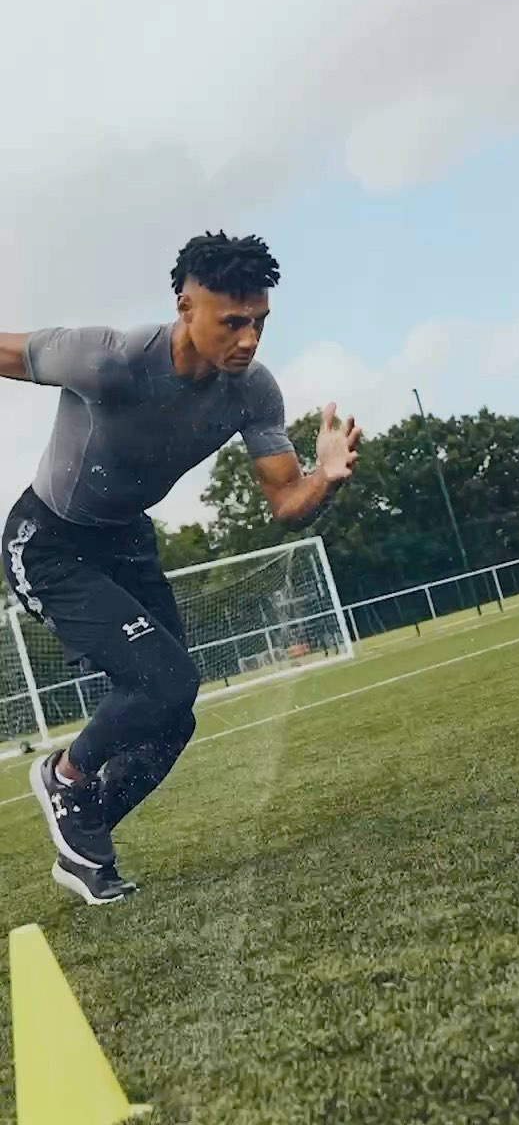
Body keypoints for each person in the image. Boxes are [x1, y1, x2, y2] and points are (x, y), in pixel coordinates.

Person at [0, 231, 360, 906]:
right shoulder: (107, 360)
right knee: (164, 679)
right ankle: (66, 778)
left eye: (259, 322)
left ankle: (85, 835)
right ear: (185, 305)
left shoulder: (252, 393)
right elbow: (8, 351)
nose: (248, 339)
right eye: (232, 322)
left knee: (172, 713)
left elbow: (287, 503)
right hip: (47, 541)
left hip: (126, 543)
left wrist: (326, 478)